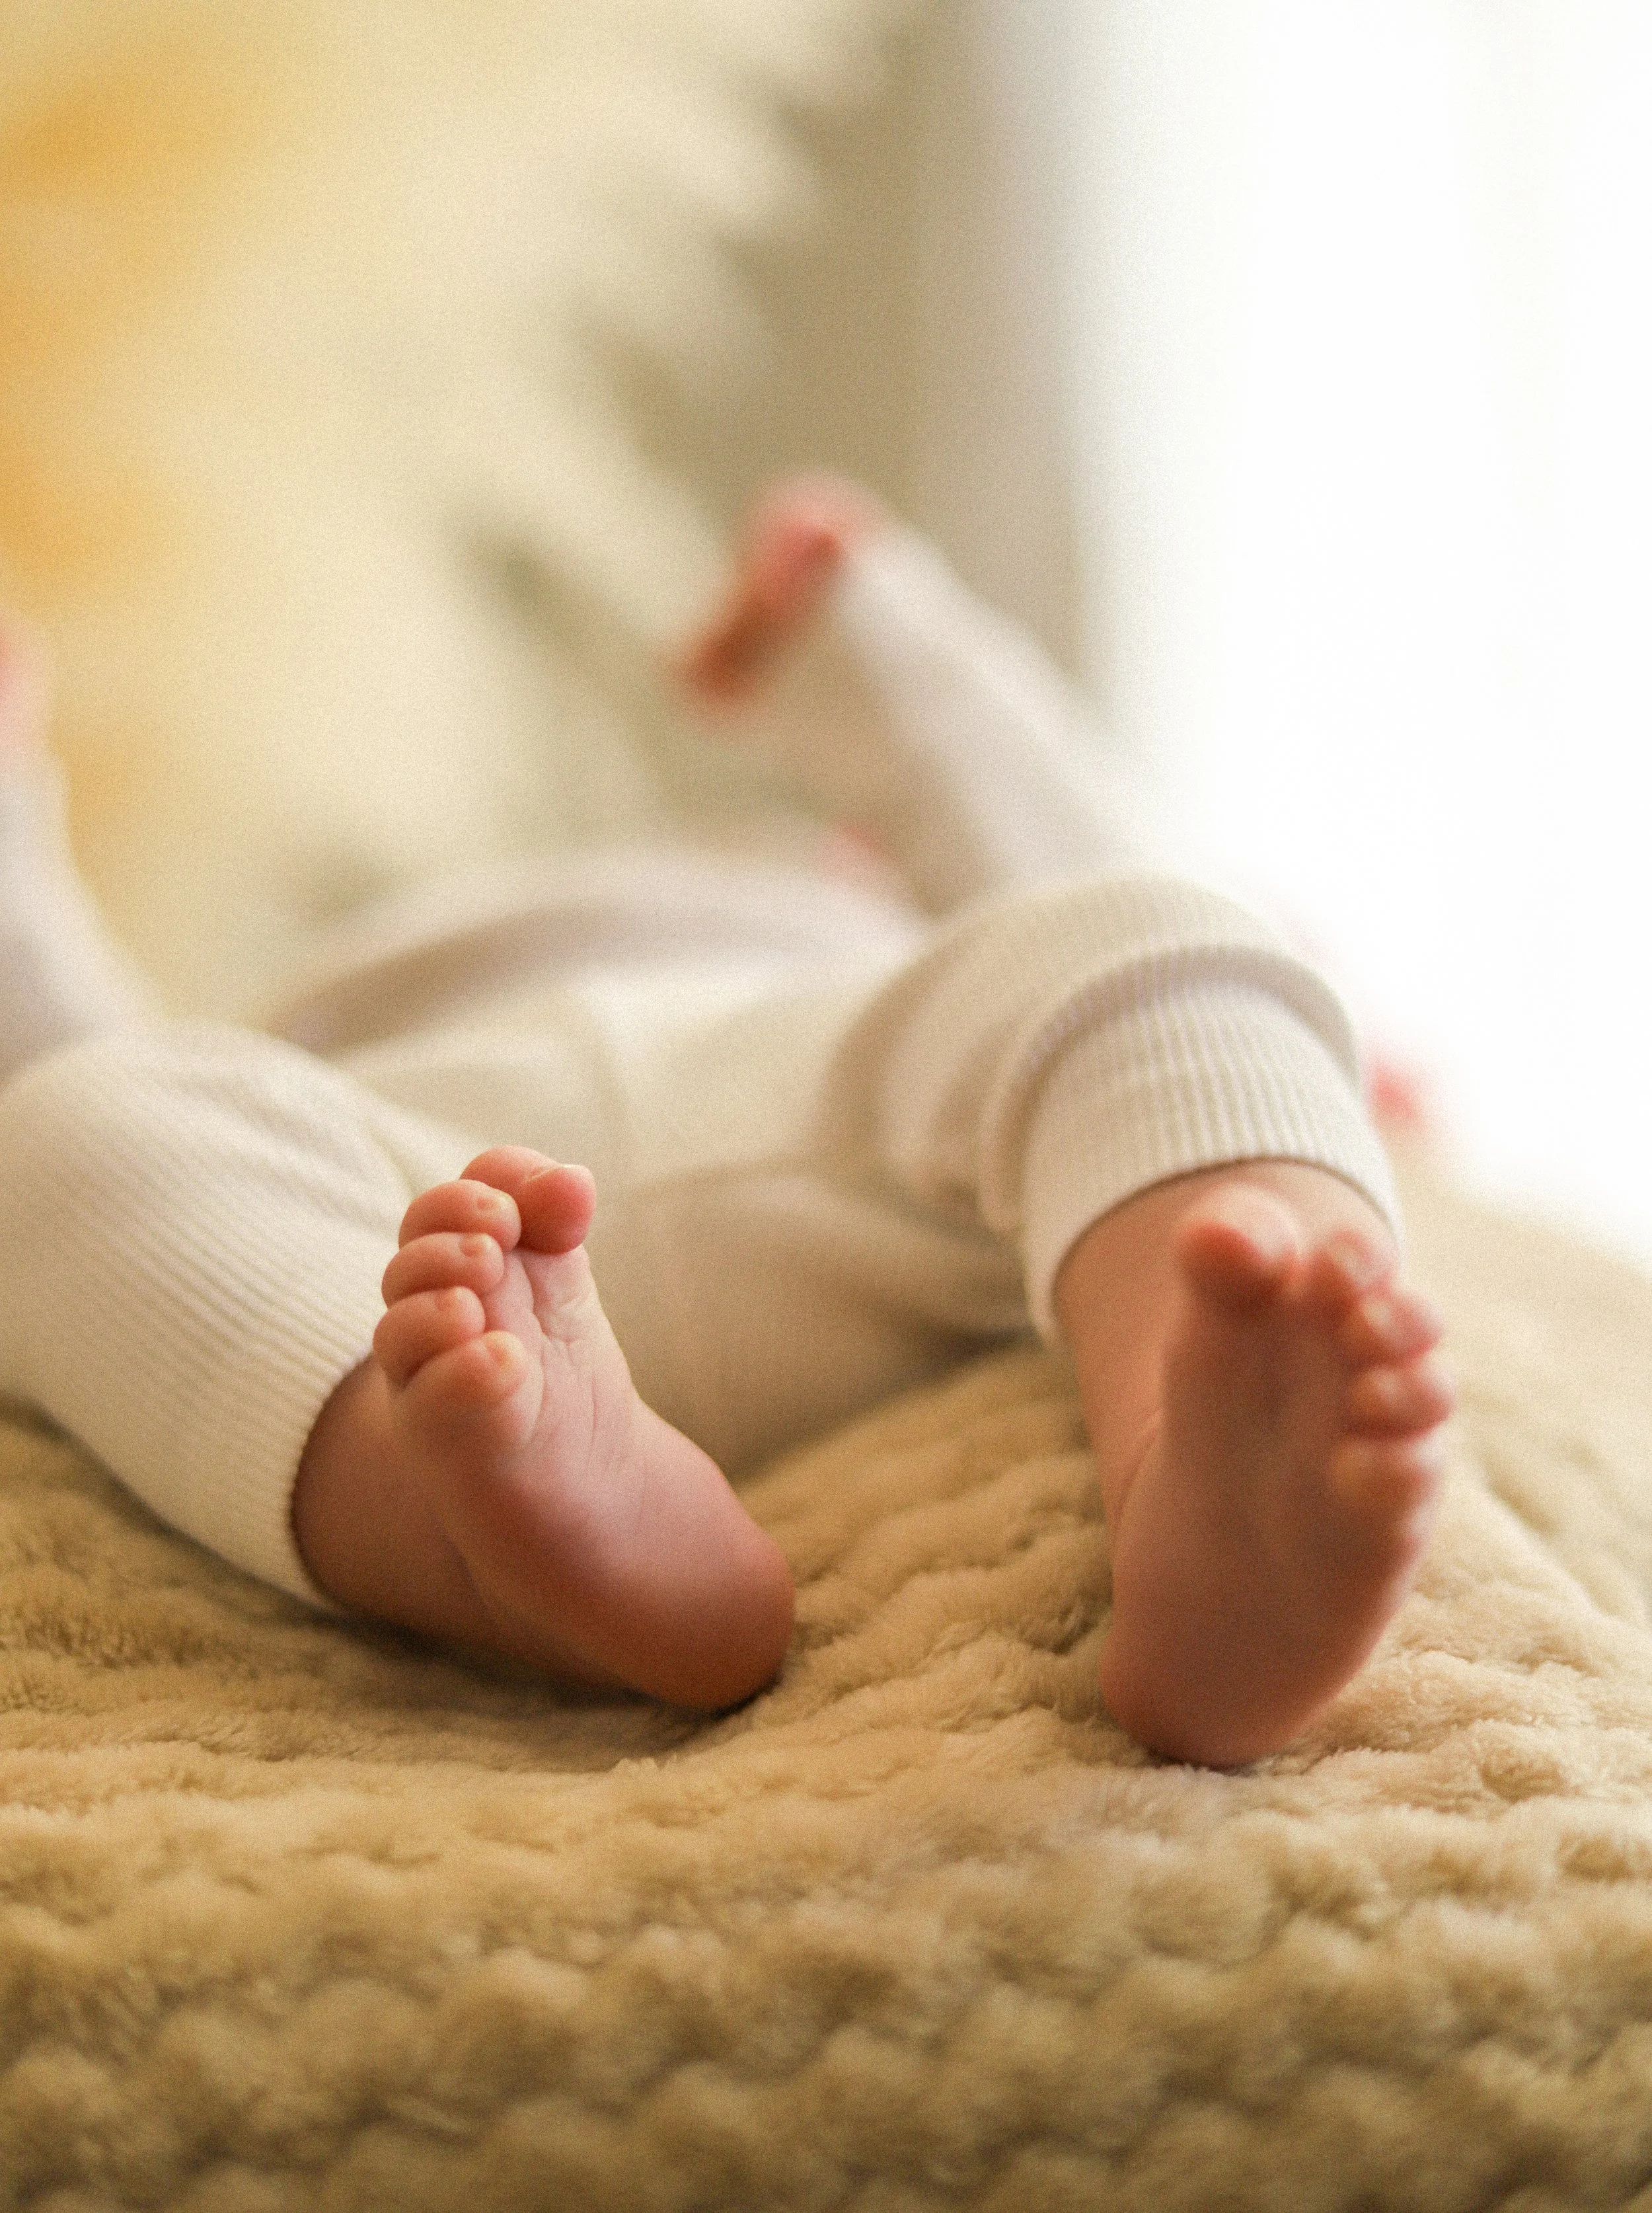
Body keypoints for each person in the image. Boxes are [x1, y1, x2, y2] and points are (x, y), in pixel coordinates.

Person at [0, 479, 1452, 1767]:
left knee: (1154, 931)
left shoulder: (889, 945)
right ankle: (490, 1516)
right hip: (385, 1208)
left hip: (858, 1123)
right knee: (65, 1127)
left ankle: (1199, 1471)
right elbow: (87, 1066)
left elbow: (1080, 861)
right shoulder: (294, 1043)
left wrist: (904, 671)